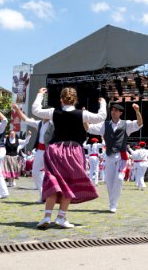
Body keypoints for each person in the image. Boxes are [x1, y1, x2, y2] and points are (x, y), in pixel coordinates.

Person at [33, 87, 106, 229]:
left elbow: (36, 110)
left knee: (53, 183)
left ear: (61, 99)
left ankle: (47, 216)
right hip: (74, 151)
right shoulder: (82, 114)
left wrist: (40, 94)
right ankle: (61, 217)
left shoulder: (53, 112)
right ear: (76, 99)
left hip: (55, 150)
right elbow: (101, 116)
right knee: (69, 184)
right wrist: (102, 103)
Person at [86, 103, 143, 213]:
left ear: (120, 113)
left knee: (120, 178)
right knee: (109, 181)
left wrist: (137, 111)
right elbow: (88, 128)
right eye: (112, 109)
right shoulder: (104, 125)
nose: (113, 111)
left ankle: (113, 204)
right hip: (109, 156)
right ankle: (112, 203)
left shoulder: (126, 124)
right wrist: (84, 118)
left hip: (121, 156)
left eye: (116, 110)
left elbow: (139, 123)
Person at [12, 103, 53, 203]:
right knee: (35, 173)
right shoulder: (39, 123)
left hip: (50, 151)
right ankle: (43, 195)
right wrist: (17, 110)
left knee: (52, 174)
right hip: (39, 151)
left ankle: (55, 195)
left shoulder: (54, 124)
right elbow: (26, 120)